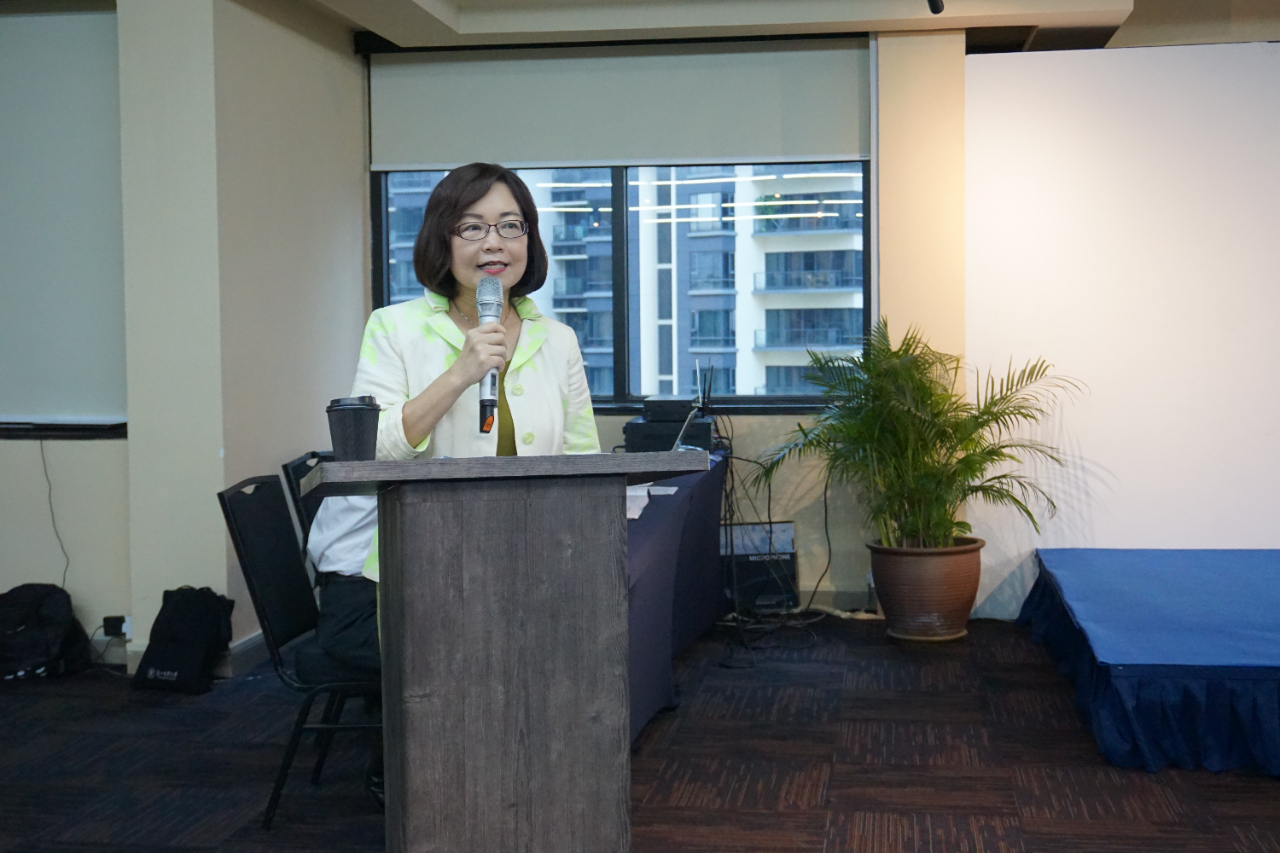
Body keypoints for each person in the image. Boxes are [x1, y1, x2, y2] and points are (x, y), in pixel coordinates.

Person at [309, 162, 602, 807]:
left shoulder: (559, 341)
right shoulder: (396, 328)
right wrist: (462, 371)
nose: (493, 243)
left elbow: (584, 457)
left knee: (531, 720)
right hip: (425, 568)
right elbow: (375, 449)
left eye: (510, 226)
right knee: (443, 731)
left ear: (530, 242)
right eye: (472, 227)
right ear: (443, 242)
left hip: (533, 562)